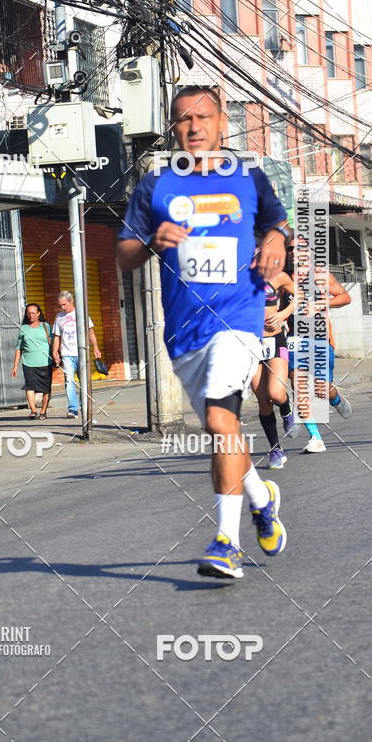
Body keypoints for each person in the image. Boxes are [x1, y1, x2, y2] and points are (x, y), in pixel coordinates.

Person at [117, 85, 291, 579]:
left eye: (203, 117)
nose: (193, 127)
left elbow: (279, 225)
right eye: (182, 120)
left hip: (237, 320)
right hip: (184, 334)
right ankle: (261, 501)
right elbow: (124, 256)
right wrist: (152, 241)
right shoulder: (156, 186)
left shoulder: (248, 177)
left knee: (219, 421)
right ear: (174, 129)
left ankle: (226, 544)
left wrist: (275, 241)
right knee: (226, 429)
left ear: (222, 125)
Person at [286, 247, 352, 453]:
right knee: (298, 385)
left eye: (297, 248)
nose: (292, 252)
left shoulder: (321, 274)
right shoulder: (285, 278)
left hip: (321, 339)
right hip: (294, 340)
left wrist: (323, 303)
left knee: (321, 389)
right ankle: (316, 437)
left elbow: (345, 297)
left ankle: (335, 397)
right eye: (289, 248)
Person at [251, 271, 298, 469]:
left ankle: (287, 410)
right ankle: (276, 449)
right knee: (263, 400)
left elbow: (300, 295)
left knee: (276, 393)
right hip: (250, 344)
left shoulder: (278, 276)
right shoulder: (233, 279)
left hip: (275, 340)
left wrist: (283, 313)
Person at [52, 291, 101, 419]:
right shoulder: (59, 317)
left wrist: (95, 347)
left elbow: (90, 332)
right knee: (69, 380)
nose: (63, 307)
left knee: (84, 380)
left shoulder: (81, 314)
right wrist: (55, 352)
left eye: (64, 304)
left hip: (82, 352)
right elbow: (57, 337)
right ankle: (72, 409)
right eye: (60, 305)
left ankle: (83, 405)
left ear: (71, 301)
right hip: (67, 354)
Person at [11, 303, 53, 419]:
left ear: (38, 314)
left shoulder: (46, 326)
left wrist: (56, 355)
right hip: (28, 363)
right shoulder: (24, 328)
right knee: (30, 386)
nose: (31, 315)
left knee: (46, 388)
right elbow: (19, 347)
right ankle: (33, 410)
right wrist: (15, 366)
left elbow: (53, 343)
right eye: (28, 313)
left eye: (33, 313)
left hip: (46, 362)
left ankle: (43, 411)